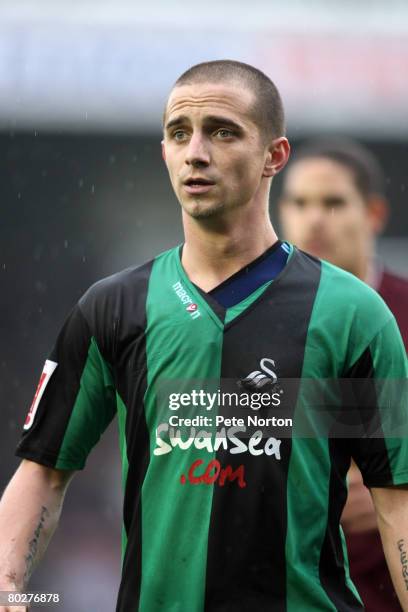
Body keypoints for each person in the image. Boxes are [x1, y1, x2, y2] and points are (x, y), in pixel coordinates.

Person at [0, 60, 407, 612]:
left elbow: (395, 501)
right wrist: (9, 588)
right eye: (178, 133)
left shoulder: (355, 314)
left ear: (274, 156)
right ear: (164, 152)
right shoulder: (112, 307)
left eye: (223, 131)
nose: (196, 151)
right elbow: (44, 469)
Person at [278, 138, 408, 611]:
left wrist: (388, 492)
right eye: (298, 203)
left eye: (333, 203)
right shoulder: (254, 322)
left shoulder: (404, 315)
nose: (314, 219)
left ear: (373, 213)